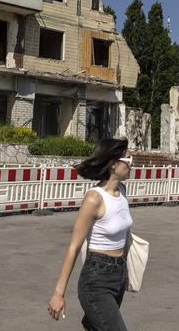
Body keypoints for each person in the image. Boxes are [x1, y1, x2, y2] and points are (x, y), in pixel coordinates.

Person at [48, 138, 134, 330]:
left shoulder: (122, 191)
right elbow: (74, 246)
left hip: (119, 274)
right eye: (128, 160)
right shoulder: (94, 198)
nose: (132, 164)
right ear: (114, 165)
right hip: (97, 280)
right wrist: (58, 293)